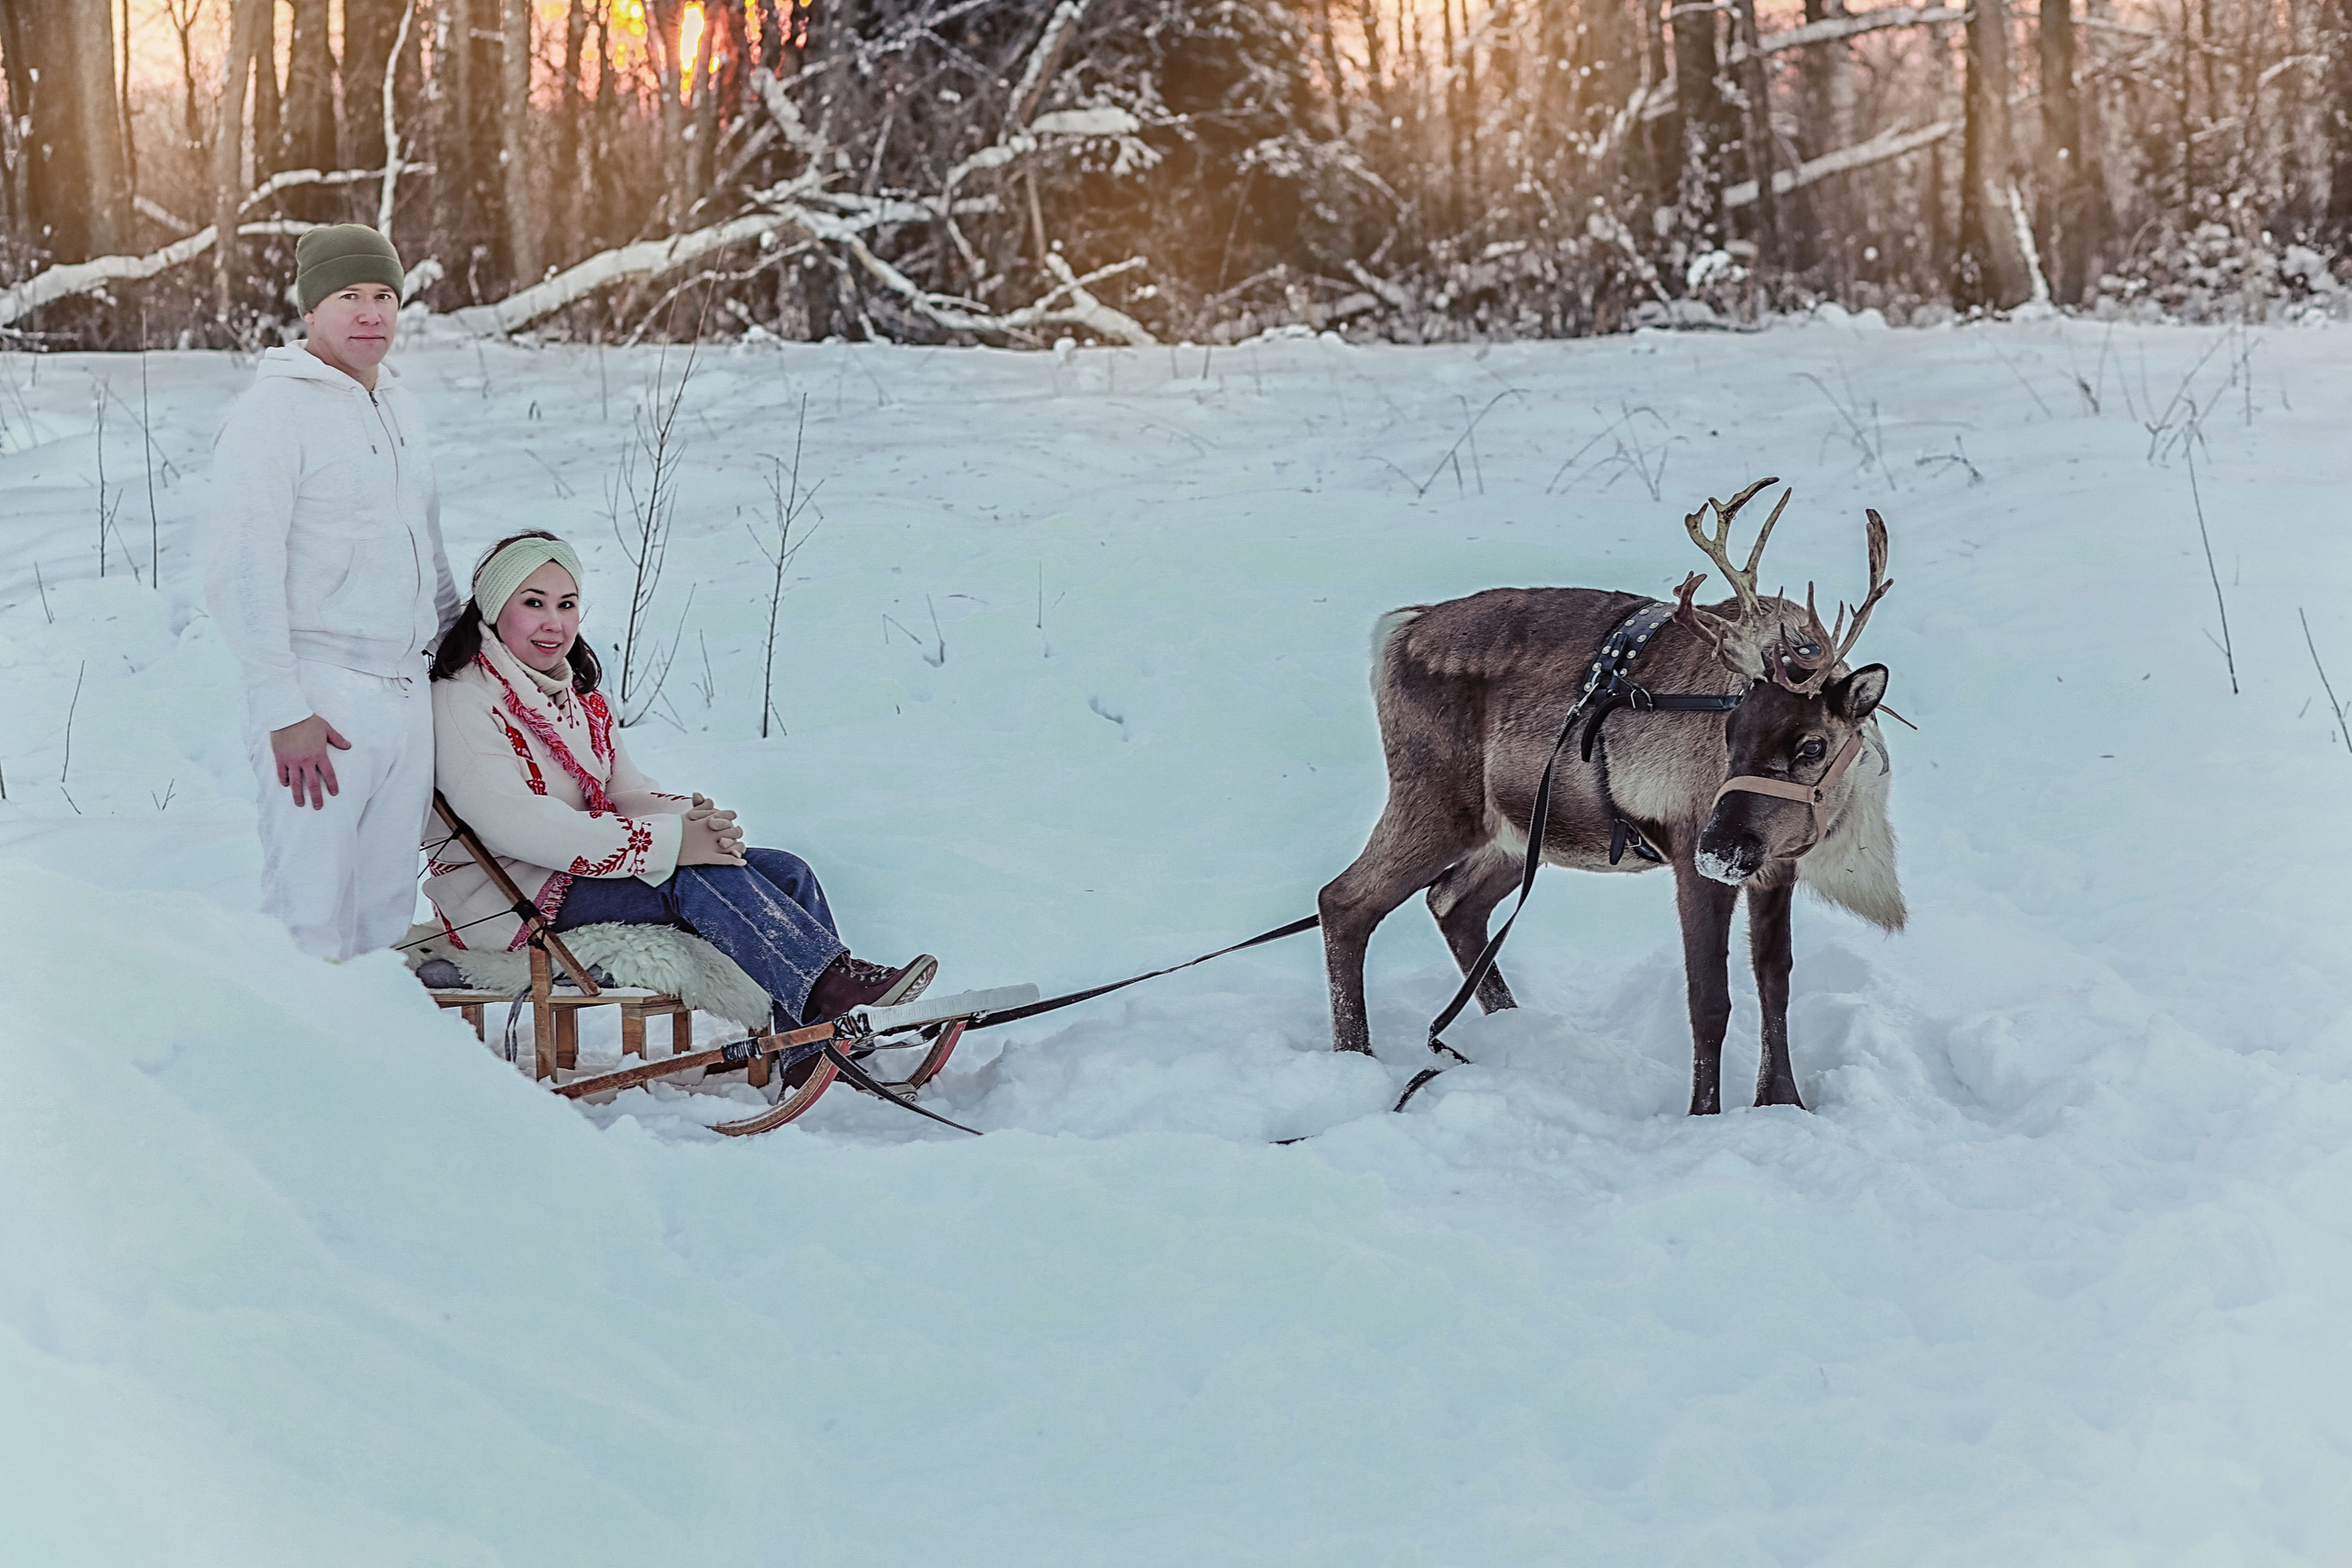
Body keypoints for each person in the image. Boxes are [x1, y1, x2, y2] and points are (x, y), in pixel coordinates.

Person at [424, 530, 934, 1029]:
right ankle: (834, 993)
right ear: (492, 610)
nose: (554, 623)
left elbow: (624, 792)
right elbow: (513, 822)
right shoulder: (463, 698)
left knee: (786, 871)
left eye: (567, 604)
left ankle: (807, 1045)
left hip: (583, 870)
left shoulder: (577, 700)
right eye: (533, 603)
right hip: (513, 897)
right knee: (686, 873)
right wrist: (668, 844)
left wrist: (694, 823)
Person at [205, 224, 460, 960]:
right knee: (308, 916)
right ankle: (295, 1068)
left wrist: (454, 649)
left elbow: (428, 544)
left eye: (384, 295)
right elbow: (240, 570)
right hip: (321, 691)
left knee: (383, 916)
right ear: (311, 309)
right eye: (349, 296)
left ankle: (374, 1070)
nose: (371, 313)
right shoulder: (271, 415)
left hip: (404, 689)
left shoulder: (401, 408)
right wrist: (285, 708)